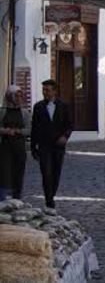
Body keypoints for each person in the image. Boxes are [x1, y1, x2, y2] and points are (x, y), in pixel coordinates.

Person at [31, 79, 73, 209]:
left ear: (54, 91)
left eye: (48, 90)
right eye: (44, 90)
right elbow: (35, 128)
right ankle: (49, 200)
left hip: (58, 146)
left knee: (55, 173)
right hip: (44, 146)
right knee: (46, 173)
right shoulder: (38, 107)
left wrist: (65, 136)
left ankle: (52, 194)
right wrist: (33, 147)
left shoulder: (64, 106)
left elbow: (69, 124)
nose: (45, 93)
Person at [0, 86, 31, 200]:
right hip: (5, 146)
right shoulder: (2, 111)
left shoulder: (24, 113)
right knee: (4, 171)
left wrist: (19, 131)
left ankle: (17, 197)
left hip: (19, 145)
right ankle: (2, 198)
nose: (18, 98)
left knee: (18, 170)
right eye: (16, 96)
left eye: (20, 96)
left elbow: (29, 129)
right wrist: (5, 131)